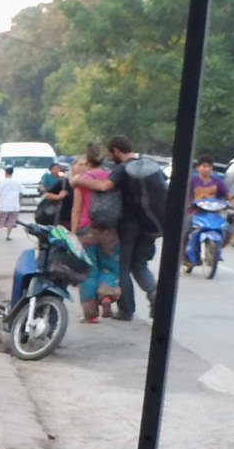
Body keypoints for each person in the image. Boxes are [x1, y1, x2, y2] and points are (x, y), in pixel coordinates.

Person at [107, 135, 166, 321]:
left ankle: (126, 310)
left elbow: (106, 186)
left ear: (116, 150)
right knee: (139, 263)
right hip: (150, 224)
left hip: (128, 225)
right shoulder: (148, 165)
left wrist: (79, 180)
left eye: (111, 154)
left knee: (123, 266)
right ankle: (154, 292)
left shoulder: (122, 169)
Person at [70, 144, 122, 320]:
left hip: (87, 231)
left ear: (88, 160)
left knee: (89, 271)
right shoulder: (112, 178)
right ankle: (106, 296)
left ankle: (91, 314)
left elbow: (77, 209)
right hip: (110, 231)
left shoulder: (82, 180)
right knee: (110, 267)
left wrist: (73, 232)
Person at [34, 159, 70, 228]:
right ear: (50, 170)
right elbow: (43, 186)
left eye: (58, 168)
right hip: (49, 193)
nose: (56, 170)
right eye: (55, 168)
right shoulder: (47, 176)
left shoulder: (63, 178)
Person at [0, 165, 23, 240]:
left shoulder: (1, 181)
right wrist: (19, 202)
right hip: (14, 206)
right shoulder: (18, 182)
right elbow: (21, 193)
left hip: (2, 205)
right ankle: (8, 236)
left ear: (5, 172)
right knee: (11, 222)